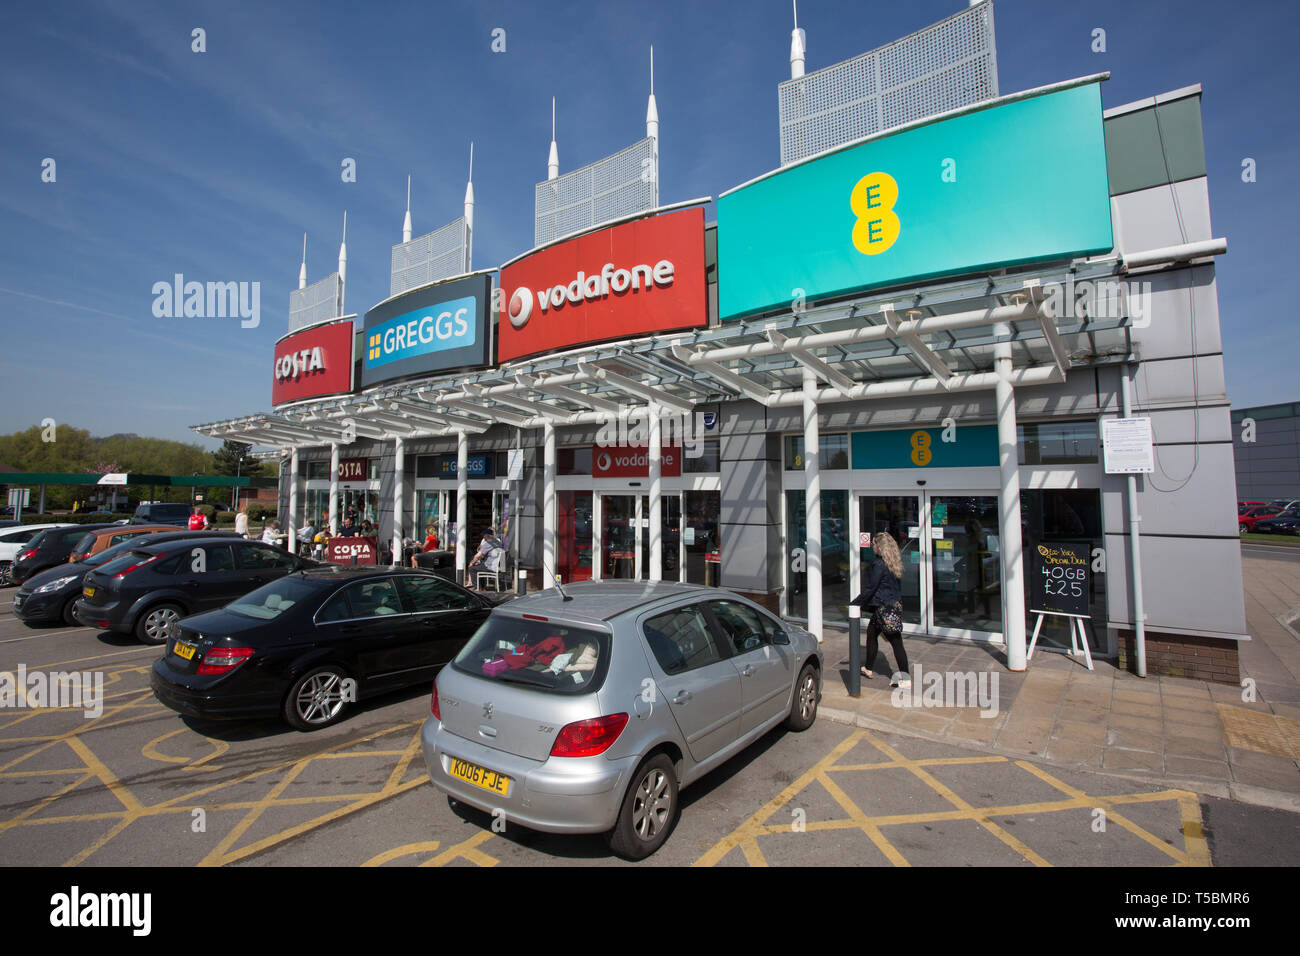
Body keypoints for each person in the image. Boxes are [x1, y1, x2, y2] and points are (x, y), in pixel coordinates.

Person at [854, 532, 911, 689]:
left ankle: (906, 679)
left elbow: (871, 588)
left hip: (885, 608)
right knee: (872, 634)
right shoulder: (893, 561)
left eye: (873, 544)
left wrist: (855, 603)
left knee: (896, 642)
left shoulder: (879, 565)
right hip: (890, 605)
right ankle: (868, 668)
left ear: (880, 547)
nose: (872, 547)